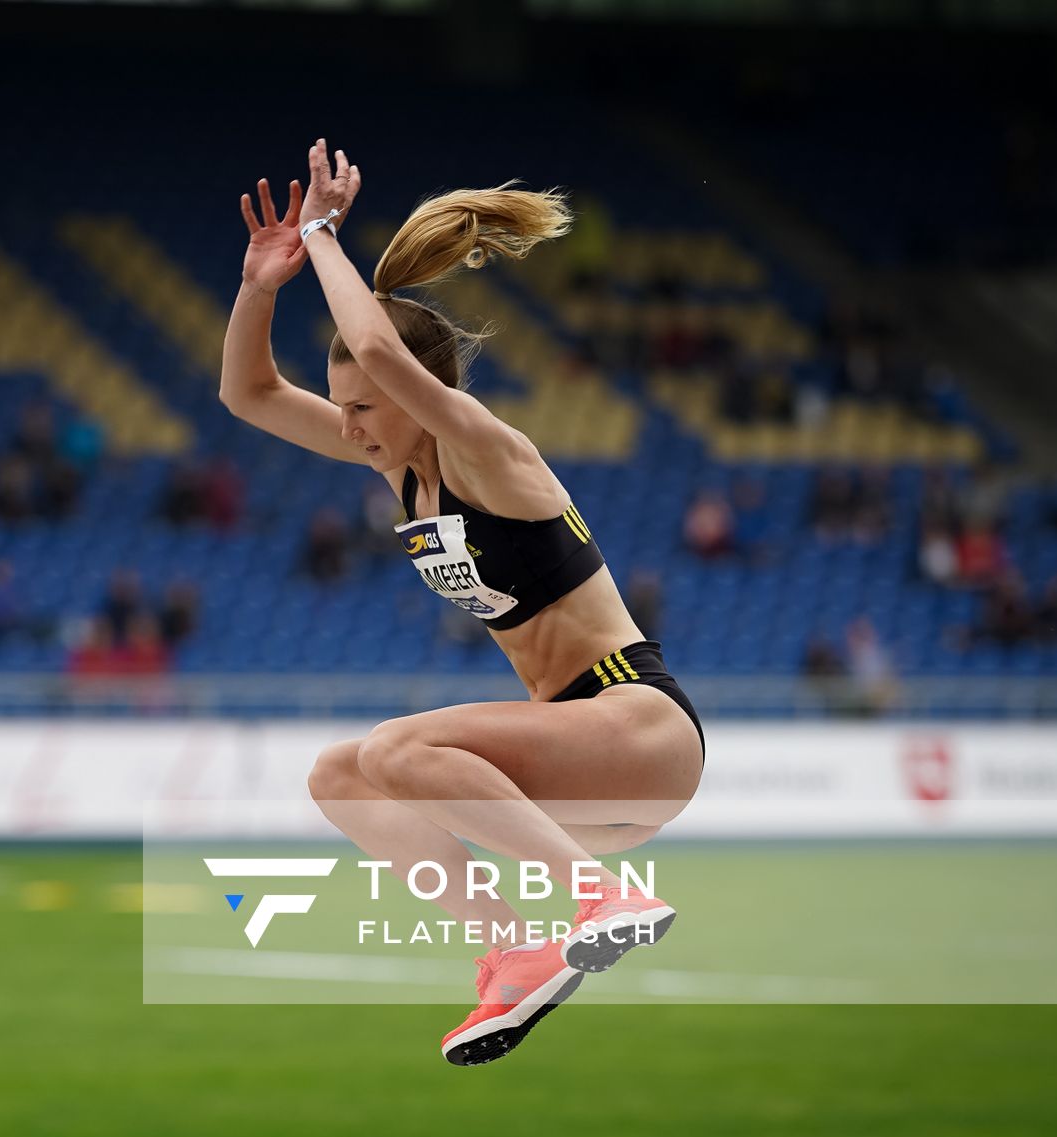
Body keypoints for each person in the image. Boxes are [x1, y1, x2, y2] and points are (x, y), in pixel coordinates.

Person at [220, 145, 703, 1067]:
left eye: (364, 406)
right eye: (342, 408)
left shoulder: (488, 449)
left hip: (636, 724)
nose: (351, 426)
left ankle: (609, 899)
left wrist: (320, 235)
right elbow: (246, 393)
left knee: (399, 747)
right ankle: (511, 951)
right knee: (341, 774)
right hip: (576, 769)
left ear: (415, 386)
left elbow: (370, 346)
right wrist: (258, 287)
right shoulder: (396, 466)